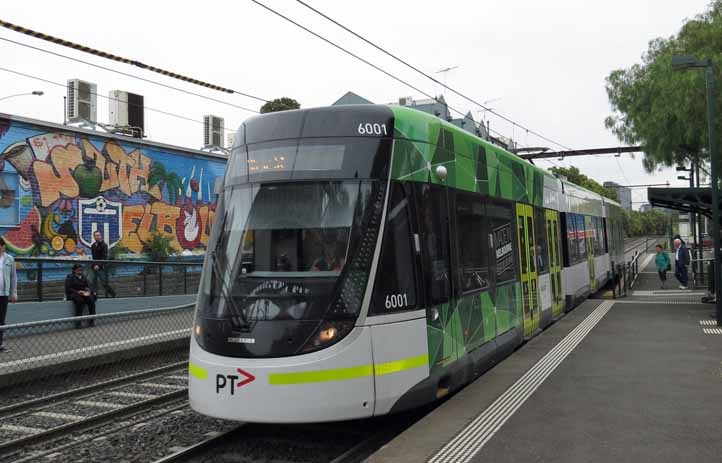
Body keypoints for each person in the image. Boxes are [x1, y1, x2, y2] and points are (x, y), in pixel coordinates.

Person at [65, 263, 96, 329]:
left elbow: (88, 286)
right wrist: (78, 292)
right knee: (80, 301)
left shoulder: (84, 277)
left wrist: (90, 291)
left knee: (91, 300)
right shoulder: (70, 277)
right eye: (78, 270)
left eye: (81, 270)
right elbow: (68, 288)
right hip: (73, 294)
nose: (80, 271)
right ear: (74, 270)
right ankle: (78, 323)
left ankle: (91, 321)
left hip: (83, 294)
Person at [0, 238, 17, 353]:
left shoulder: (9, 259)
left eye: (0, 245)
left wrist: (13, 293)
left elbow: (13, 277)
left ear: (3, 246)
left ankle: (0, 344)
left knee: (1, 320)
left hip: (3, 294)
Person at [90, 230, 116, 298]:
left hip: (101, 267)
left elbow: (104, 257)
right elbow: (93, 257)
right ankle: (94, 296)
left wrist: (98, 265)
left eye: (98, 235)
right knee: (93, 282)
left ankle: (113, 294)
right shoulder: (93, 246)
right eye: (96, 235)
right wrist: (94, 265)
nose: (97, 237)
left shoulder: (104, 245)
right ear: (94, 237)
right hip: (94, 267)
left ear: (100, 236)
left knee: (104, 283)